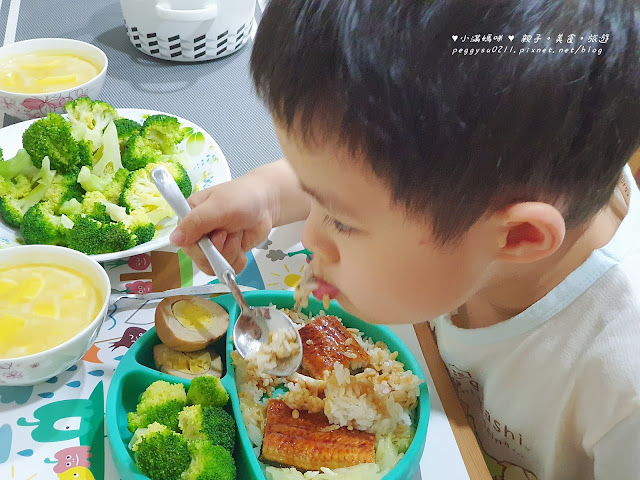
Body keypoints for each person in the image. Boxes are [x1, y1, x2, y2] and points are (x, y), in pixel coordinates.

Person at [169, 1, 640, 478]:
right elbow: (359, 179)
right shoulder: (499, 180)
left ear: (518, 236)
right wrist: (266, 195)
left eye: (342, 221)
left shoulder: (624, 391)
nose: (311, 236)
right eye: (318, 201)